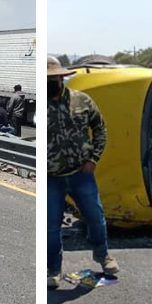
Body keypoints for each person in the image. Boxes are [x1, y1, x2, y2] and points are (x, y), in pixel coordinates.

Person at [47, 56, 119, 289]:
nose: (50, 81)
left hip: (81, 174)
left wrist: (93, 159)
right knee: (51, 227)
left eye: (52, 77)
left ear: (61, 76)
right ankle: (53, 270)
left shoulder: (82, 101)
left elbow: (100, 129)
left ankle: (103, 256)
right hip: (52, 179)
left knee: (96, 217)